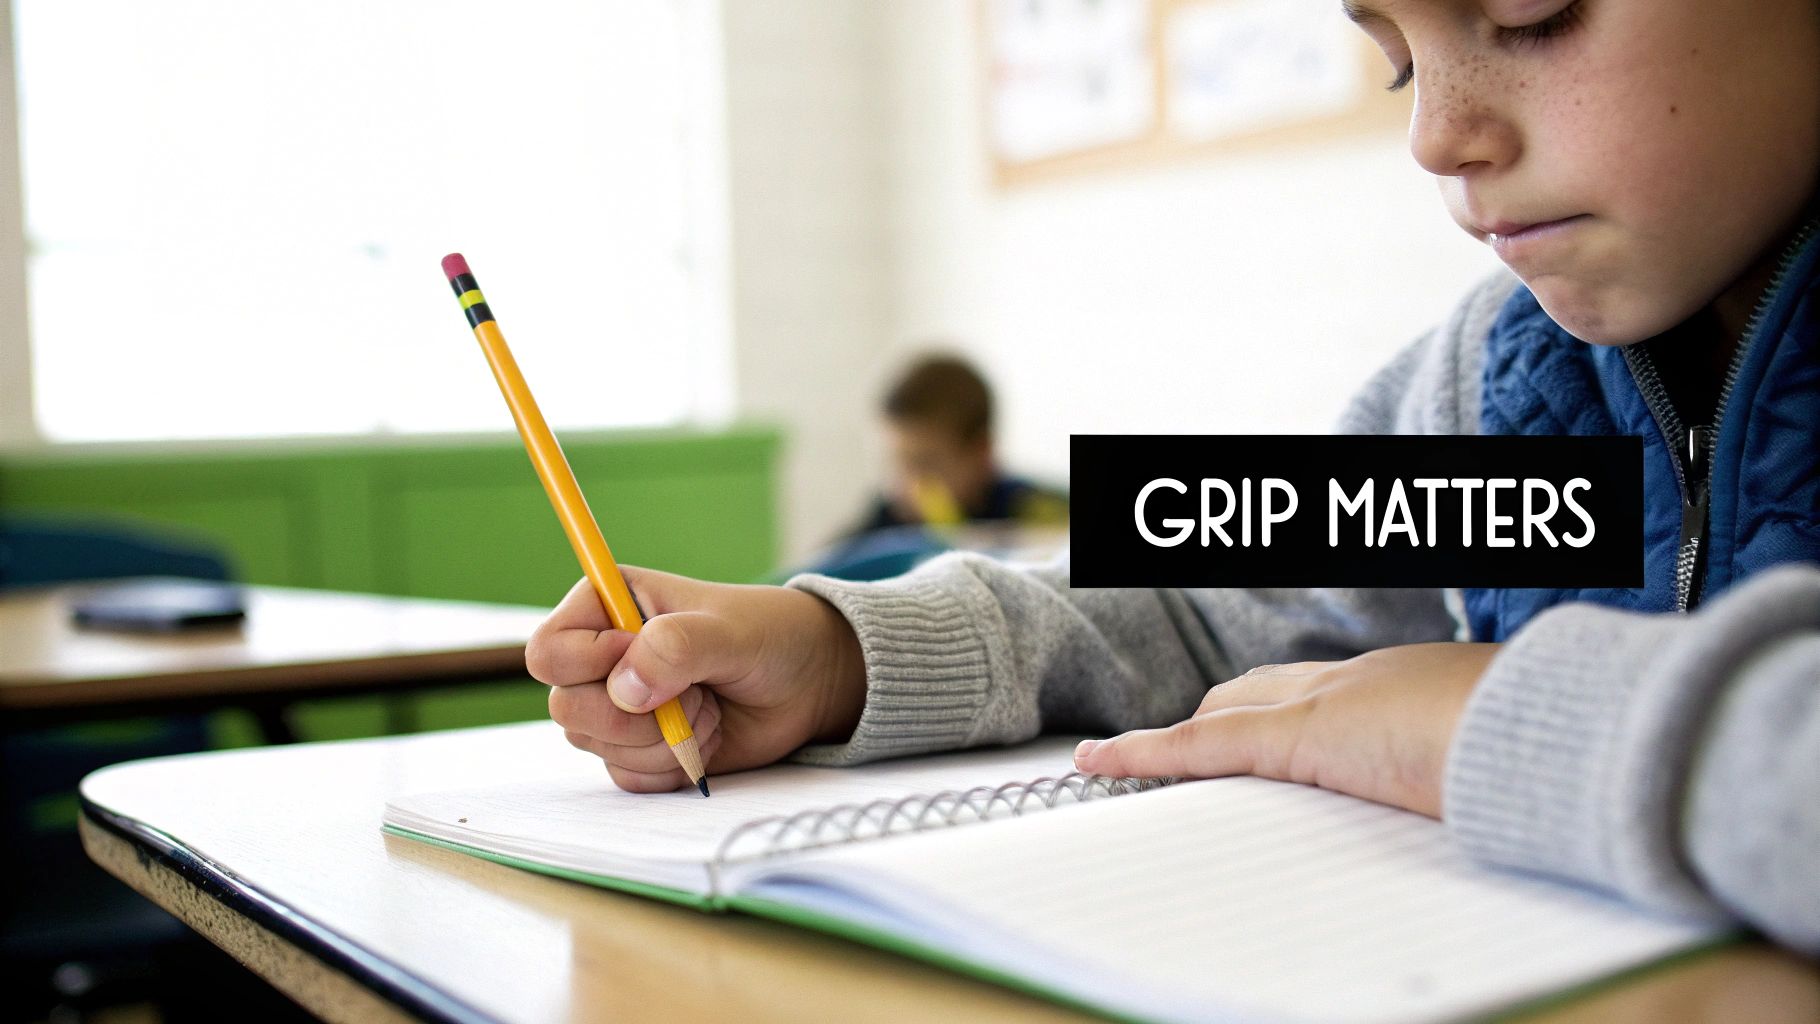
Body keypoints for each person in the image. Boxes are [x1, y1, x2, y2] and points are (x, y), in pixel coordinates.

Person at [528, 0, 1820, 954]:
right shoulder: (1493, 380)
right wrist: (845, 649)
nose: (1434, 134)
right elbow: (1216, 601)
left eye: (1531, 13)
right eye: (1396, 60)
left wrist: (1498, 722)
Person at [799, 353, 1068, 581]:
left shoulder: (1029, 506)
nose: (903, 484)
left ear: (982, 452)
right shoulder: (884, 523)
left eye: (925, 464)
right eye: (893, 462)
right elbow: (815, 571)